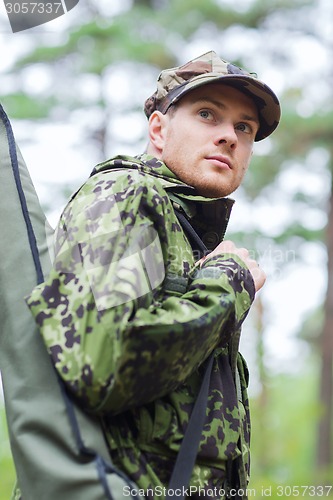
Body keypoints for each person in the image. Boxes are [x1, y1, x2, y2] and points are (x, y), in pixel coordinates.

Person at [26, 51, 280, 499]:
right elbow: (105, 361)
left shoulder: (183, 228)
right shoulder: (128, 195)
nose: (229, 137)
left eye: (245, 128)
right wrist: (228, 284)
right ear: (159, 130)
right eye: (208, 115)